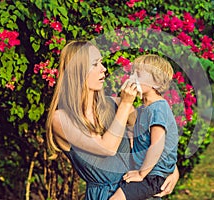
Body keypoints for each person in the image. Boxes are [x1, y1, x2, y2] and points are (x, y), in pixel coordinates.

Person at [46, 40, 179, 200]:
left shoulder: (115, 104)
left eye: (101, 62)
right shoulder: (61, 119)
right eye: (95, 64)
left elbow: (150, 138)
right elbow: (106, 148)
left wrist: (169, 169)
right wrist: (126, 103)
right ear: (77, 71)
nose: (104, 69)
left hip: (136, 190)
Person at [109, 54, 179, 200]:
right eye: (132, 72)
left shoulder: (158, 109)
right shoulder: (143, 108)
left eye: (138, 74)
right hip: (147, 172)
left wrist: (141, 173)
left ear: (157, 84)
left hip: (153, 175)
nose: (132, 77)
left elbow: (157, 145)